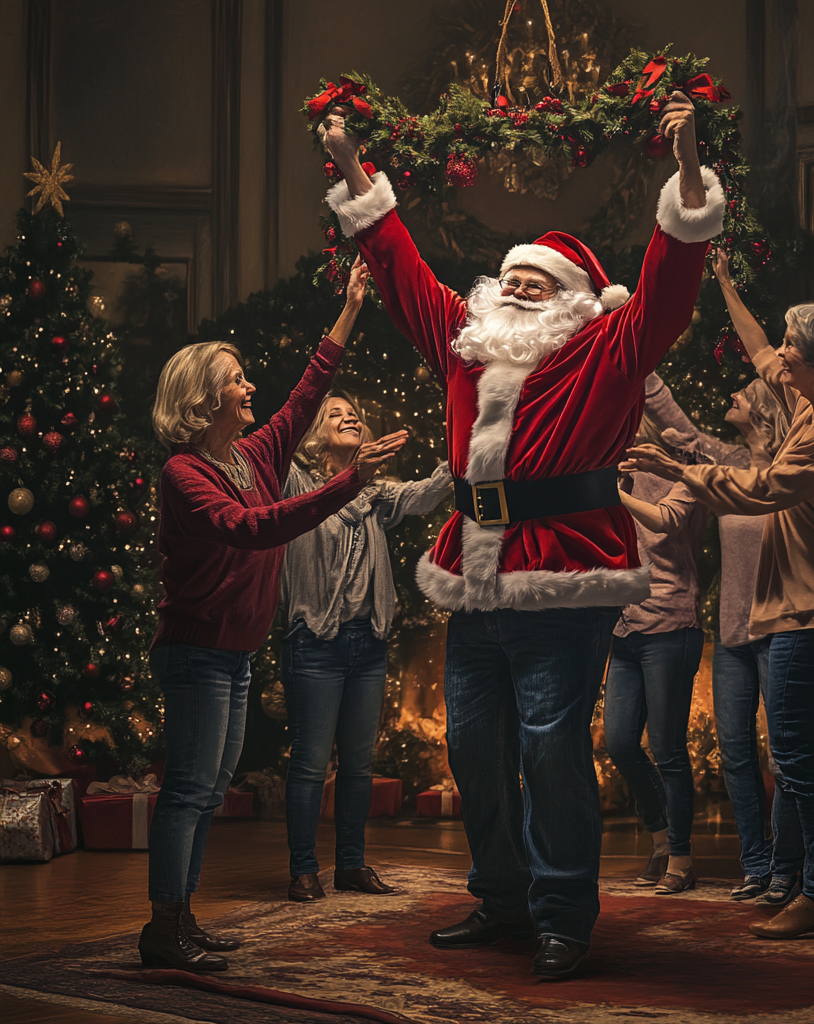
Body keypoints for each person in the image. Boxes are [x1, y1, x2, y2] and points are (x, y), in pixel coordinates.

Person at [318, 90, 724, 977]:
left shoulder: (608, 349)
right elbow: (399, 268)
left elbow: (667, 287)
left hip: (563, 577)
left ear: (576, 300)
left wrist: (688, 178)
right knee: (471, 748)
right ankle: (501, 899)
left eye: (540, 280)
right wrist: (353, 170)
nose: (519, 284)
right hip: (473, 574)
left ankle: (563, 912)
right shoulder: (465, 344)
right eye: (512, 276)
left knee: (549, 748)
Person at [141, 259, 407, 971]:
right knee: (190, 791)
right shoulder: (185, 472)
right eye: (236, 378)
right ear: (204, 397)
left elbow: (306, 390)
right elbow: (253, 530)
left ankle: (182, 920)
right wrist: (352, 481)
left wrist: (351, 308)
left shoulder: (252, 453)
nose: (250, 386)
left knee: (206, 793)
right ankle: (163, 927)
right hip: (196, 651)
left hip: (231, 655)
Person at [622, 269, 814, 940]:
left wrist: (674, 466)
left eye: (791, 349)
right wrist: (723, 284)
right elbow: (759, 354)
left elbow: (762, 489)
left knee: (801, 757)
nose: (778, 358)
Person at [643, 365, 804, 912]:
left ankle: (787, 868)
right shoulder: (727, 463)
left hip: (782, 631)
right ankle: (756, 866)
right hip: (732, 633)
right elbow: (679, 429)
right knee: (736, 754)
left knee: (784, 756)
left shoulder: (795, 468)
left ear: (764, 408)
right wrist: (636, 354)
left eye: (743, 391)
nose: (731, 392)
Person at [281, 390, 451, 903]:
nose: (347, 415)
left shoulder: (376, 493)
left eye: (353, 411)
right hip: (313, 642)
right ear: (314, 435)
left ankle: (351, 865)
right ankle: (304, 869)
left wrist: (464, 447)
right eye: (333, 413)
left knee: (359, 764)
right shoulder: (295, 483)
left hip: (367, 645)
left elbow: (427, 493)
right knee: (311, 764)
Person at [605, 413, 706, 896]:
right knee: (620, 741)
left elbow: (664, 521)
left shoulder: (684, 468)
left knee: (667, 748)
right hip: (623, 627)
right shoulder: (609, 470)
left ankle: (682, 860)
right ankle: (662, 841)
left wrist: (607, 492)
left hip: (670, 621)